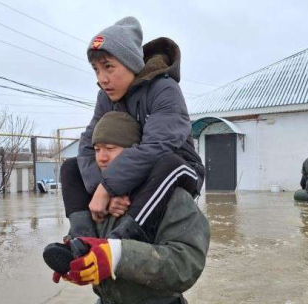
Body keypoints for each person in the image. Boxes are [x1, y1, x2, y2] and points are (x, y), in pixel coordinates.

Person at [45, 111, 210, 304]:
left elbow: (186, 264)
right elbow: (92, 244)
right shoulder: (97, 198)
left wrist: (117, 257)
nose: (101, 157)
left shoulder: (173, 197)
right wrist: (77, 259)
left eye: (111, 148)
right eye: (97, 149)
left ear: (135, 152)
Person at [60, 16, 204, 241]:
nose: (102, 79)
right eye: (96, 69)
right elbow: (88, 145)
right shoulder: (105, 99)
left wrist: (106, 189)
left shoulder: (164, 89)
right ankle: (81, 238)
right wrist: (102, 188)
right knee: (70, 167)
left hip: (178, 170)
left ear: (132, 63)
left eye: (108, 67)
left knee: (168, 162)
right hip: (128, 177)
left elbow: (157, 147)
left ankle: (123, 239)